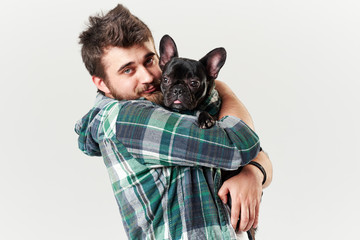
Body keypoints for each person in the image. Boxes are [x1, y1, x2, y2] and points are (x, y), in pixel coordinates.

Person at [75, 4, 273, 240]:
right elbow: (241, 145)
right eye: (128, 70)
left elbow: (262, 159)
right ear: (102, 83)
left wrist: (253, 173)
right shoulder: (126, 119)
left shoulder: (170, 111)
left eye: (149, 61)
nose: (147, 77)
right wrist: (224, 90)